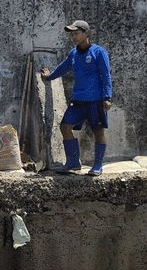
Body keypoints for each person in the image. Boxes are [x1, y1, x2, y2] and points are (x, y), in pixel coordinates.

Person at [40, 19, 113, 175]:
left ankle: (97, 166)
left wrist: (107, 97)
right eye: (72, 34)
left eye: (76, 33)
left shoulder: (99, 52)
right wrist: (49, 76)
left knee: (98, 131)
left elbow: (106, 75)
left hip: (95, 101)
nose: (73, 37)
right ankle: (73, 162)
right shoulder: (73, 53)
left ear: (86, 33)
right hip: (78, 100)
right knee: (65, 127)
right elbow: (63, 68)